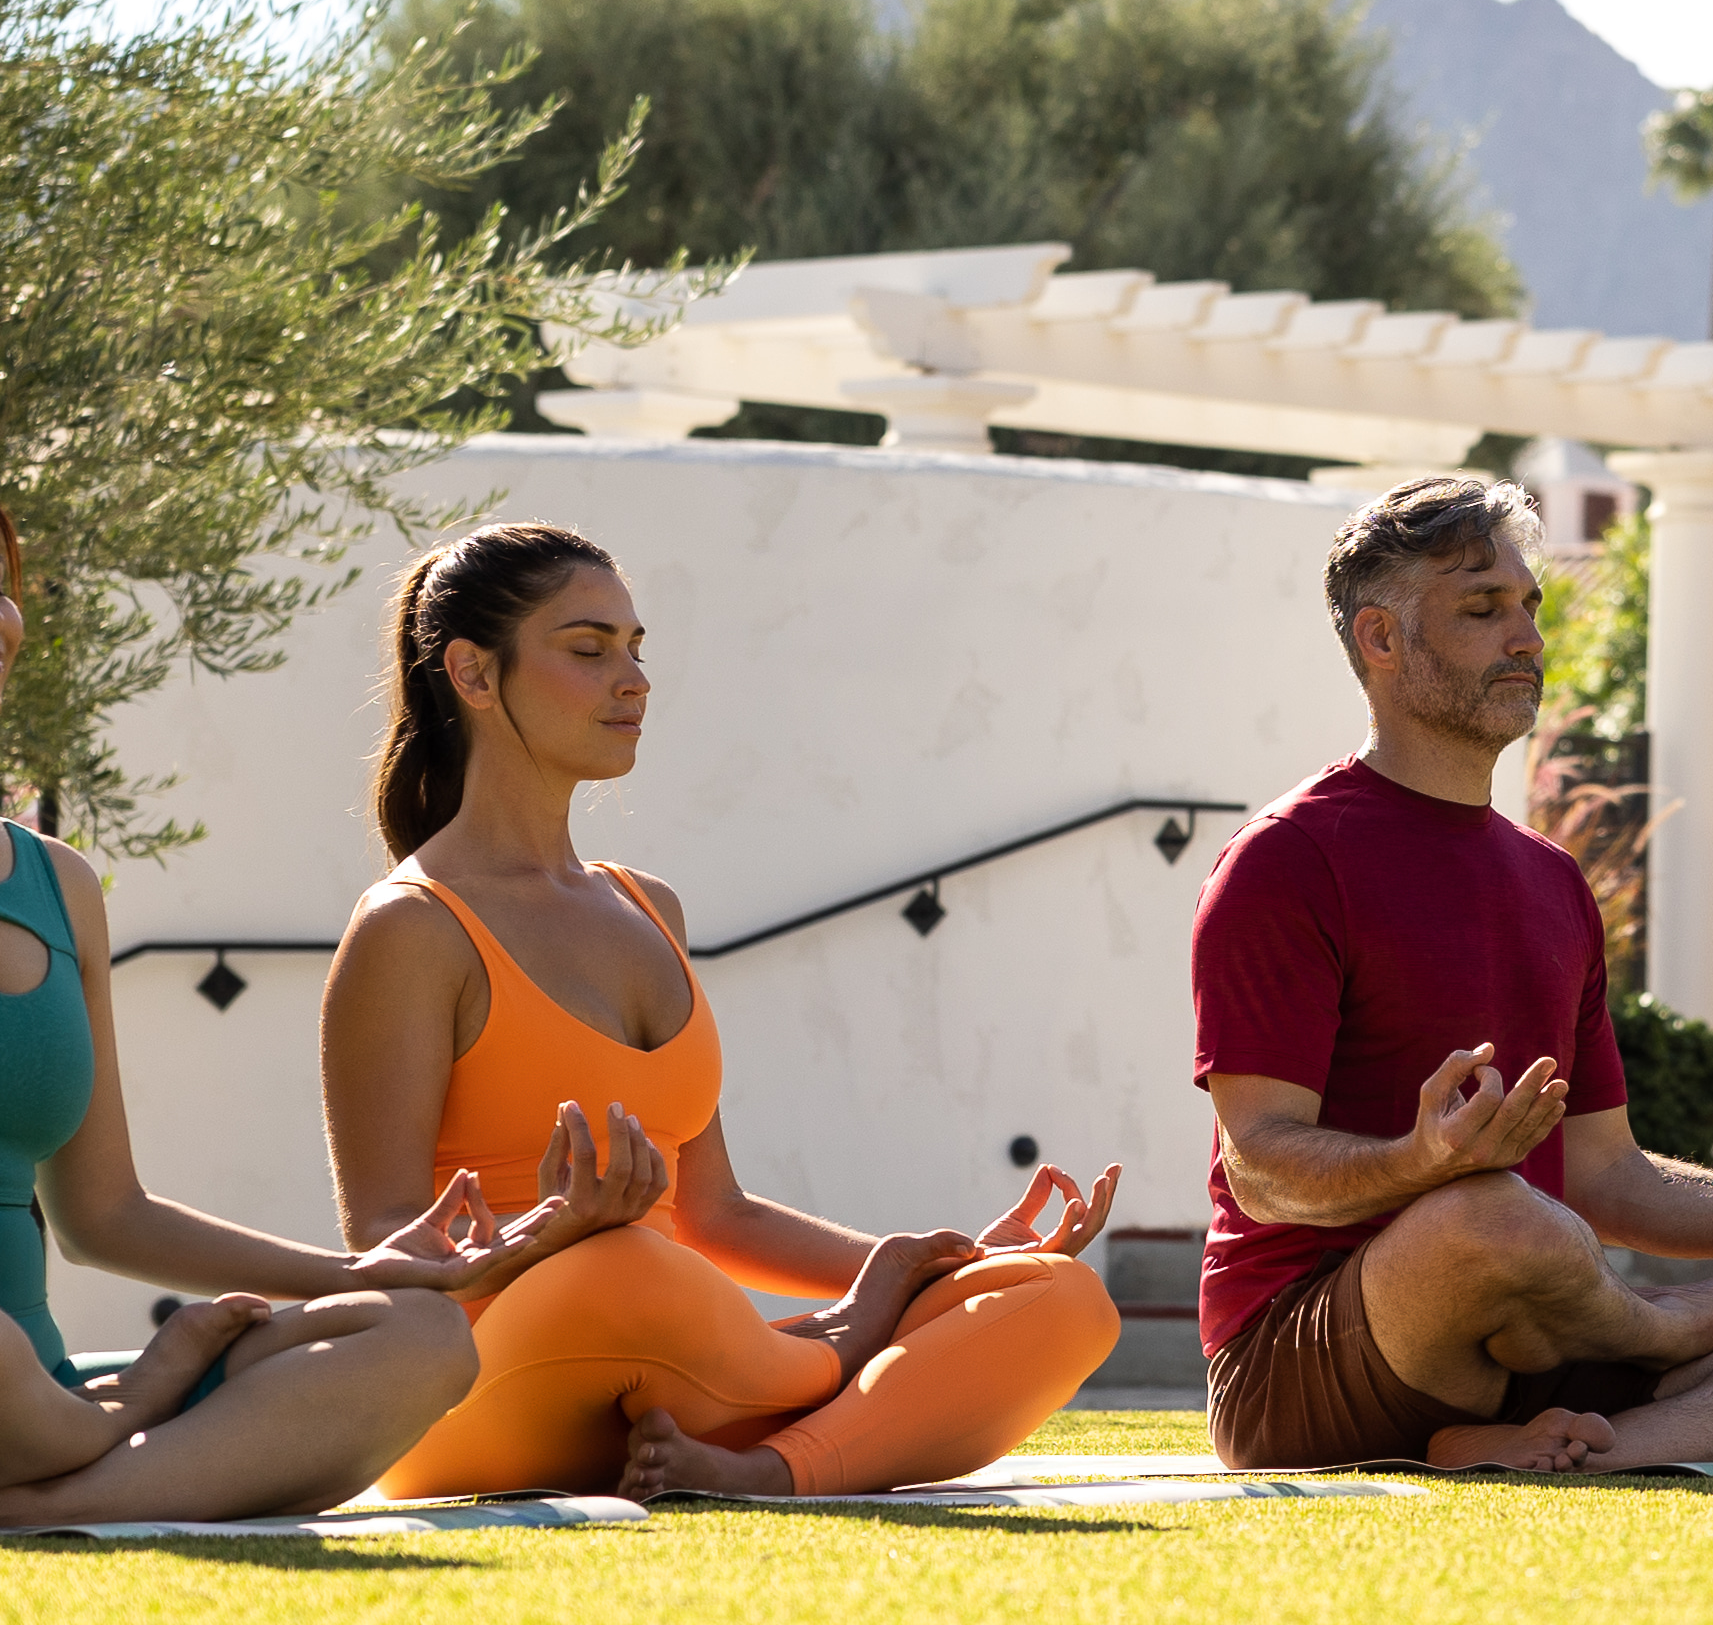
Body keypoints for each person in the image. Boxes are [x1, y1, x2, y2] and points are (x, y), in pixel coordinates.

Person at [0, 466, 649, 1524]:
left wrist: (364, 1270)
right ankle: (113, 1428)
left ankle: (29, 1497)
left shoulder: (56, 882)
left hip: (23, 1389)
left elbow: (105, 1214)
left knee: (417, 1335)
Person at [1196, 471, 1713, 1473]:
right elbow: (1259, 1167)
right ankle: (1676, 1325)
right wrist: (1419, 1162)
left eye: (1529, 606)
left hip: (1536, 1344)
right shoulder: (1287, 859)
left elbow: (1608, 1175)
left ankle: (1562, 1451)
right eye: (1483, 609)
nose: (1527, 638)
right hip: (1310, 1362)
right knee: (1488, 1216)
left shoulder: (1551, 881)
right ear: (1381, 639)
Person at [322, 522, 1123, 1501]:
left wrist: (921, 1266)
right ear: (474, 674)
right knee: (622, 1267)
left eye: (635, 648)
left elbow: (715, 1213)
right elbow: (382, 1242)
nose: (634, 680)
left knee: (1059, 1298)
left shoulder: (649, 908)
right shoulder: (411, 927)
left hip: (673, 1366)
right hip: (481, 1390)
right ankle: (836, 1357)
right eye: (589, 649)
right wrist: (552, 1233)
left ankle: (762, 1468)